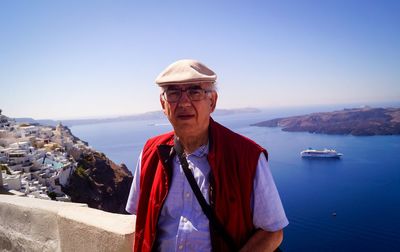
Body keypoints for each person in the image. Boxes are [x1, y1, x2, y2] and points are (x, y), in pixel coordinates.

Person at [126, 59, 288, 252]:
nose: (184, 102)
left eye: (195, 92)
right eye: (174, 92)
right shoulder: (150, 153)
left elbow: (272, 232)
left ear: (212, 101)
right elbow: (142, 218)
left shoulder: (248, 157)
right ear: (163, 104)